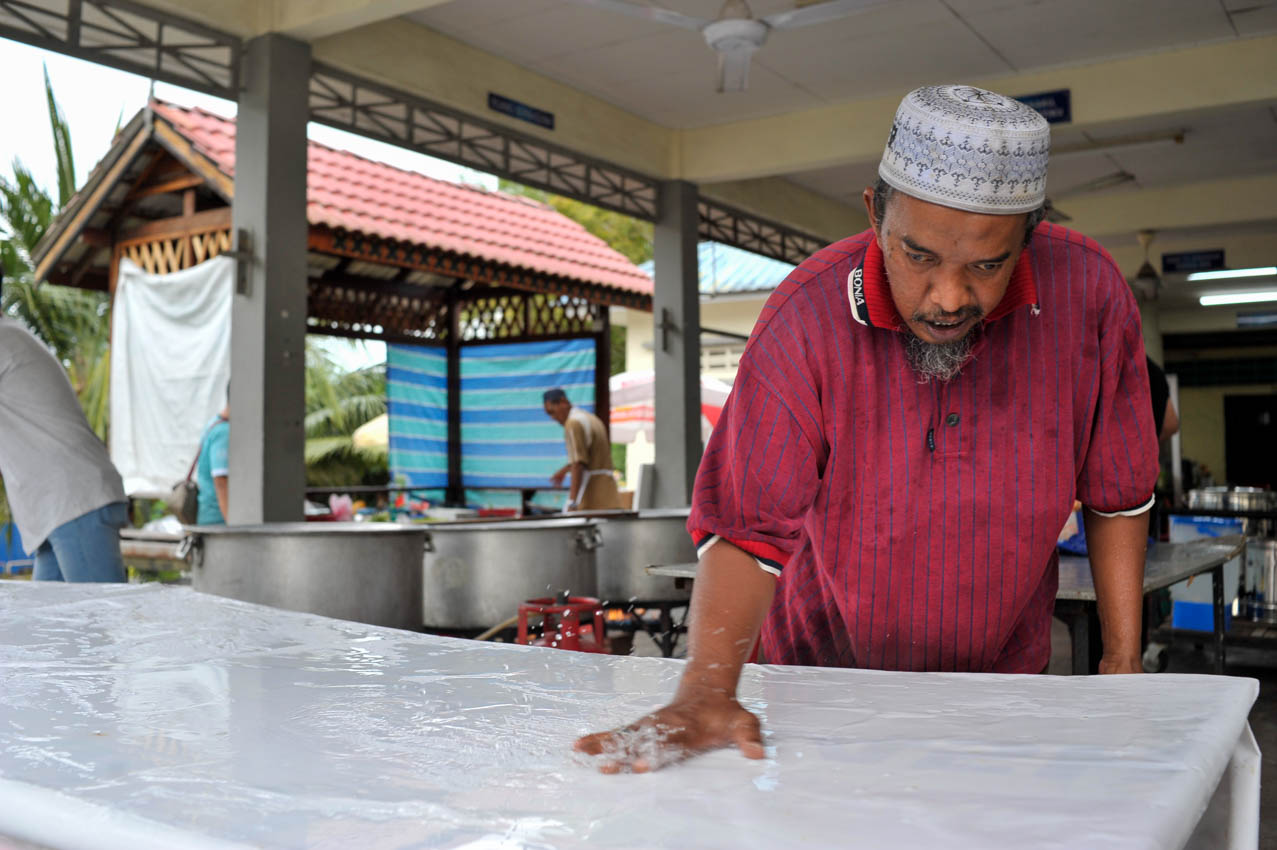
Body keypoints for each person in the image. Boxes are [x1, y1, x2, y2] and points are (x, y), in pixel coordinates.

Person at [576, 85, 1158, 772]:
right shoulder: (806, 317)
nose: (949, 298)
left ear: (1029, 236)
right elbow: (746, 525)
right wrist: (706, 692)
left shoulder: (1089, 294)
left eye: (987, 265)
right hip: (820, 690)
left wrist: (1121, 665)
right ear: (875, 215)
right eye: (919, 257)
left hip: (1002, 689)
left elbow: (1118, 493)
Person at [0, 309, 128, 582]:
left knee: (97, 610)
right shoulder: (11, 334)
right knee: (50, 611)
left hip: (74, 504)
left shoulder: (4, 339)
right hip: (62, 508)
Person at [543, 388, 622, 511]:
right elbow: (591, 456)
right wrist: (564, 471)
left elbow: (578, 464)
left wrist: (572, 502)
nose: (553, 417)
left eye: (552, 412)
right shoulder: (591, 418)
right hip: (609, 495)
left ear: (563, 402)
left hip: (592, 497)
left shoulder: (572, 423)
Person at [195, 399, 230, 525]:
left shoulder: (214, 423)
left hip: (209, 516)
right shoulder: (224, 431)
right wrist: (232, 524)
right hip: (218, 520)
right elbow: (221, 480)